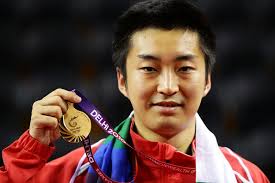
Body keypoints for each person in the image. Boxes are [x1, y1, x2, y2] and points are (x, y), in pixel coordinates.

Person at [0, 0, 270, 182]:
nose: (167, 87)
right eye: (149, 69)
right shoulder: (79, 172)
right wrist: (29, 155)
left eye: (184, 68)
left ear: (207, 81)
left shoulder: (244, 177)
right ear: (122, 81)